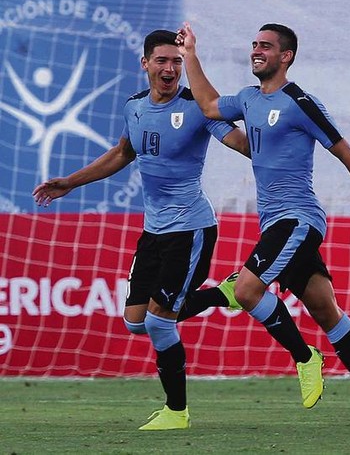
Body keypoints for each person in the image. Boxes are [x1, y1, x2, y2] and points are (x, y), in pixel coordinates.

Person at [176, 22, 350, 428]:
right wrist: (190, 56)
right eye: (254, 44)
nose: (256, 51)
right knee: (325, 310)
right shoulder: (248, 99)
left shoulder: (300, 102)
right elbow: (212, 107)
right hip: (274, 223)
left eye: (266, 46)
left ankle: (305, 357)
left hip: (298, 218)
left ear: (286, 56)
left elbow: (345, 151)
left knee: (247, 289)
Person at [32, 30, 249, 431]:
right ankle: (224, 294)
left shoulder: (197, 107)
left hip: (191, 230)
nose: (170, 69)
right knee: (135, 321)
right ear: (145, 63)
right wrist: (71, 182)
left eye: (177, 61)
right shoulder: (134, 106)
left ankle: (177, 412)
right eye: (162, 61)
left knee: (158, 322)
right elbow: (122, 153)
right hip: (154, 231)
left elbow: (238, 141)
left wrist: (269, 143)